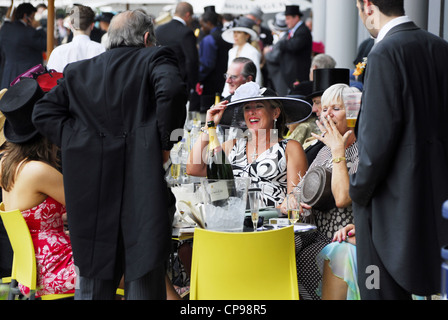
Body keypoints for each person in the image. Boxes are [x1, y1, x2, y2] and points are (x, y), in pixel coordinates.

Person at [32, 10, 188, 300]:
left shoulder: (80, 70)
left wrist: (81, 142)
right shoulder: (154, 57)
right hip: (141, 185)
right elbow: (173, 89)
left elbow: (42, 112)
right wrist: (163, 143)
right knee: (142, 275)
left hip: (93, 186)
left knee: (93, 282)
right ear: (146, 38)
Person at [350, 0, 448, 300]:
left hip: (385, 204)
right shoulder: (440, 47)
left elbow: (376, 142)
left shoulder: (383, 52)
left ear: (368, 6)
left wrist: (358, 189)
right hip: (437, 193)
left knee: (376, 289)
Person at [0, 79, 76, 298]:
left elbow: (32, 216)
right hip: (56, 269)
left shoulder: (7, 164)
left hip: (32, 270)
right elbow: (87, 207)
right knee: (135, 266)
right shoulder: (37, 171)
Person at [187, 81, 311, 211]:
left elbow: (294, 199)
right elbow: (193, 169)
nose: (252, 112)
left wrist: (274, 211)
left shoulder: (290, 148)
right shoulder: (231, 146)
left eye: (258, 106)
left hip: (274, 224)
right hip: (235, 225)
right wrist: (209, 125)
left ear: (275, 113)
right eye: (247, 108)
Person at [295, 83, 359, 300]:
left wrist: (337, 150)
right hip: (313, 232)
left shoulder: (362, 151)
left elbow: (342, 198)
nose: (327, 114)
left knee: (302, 256)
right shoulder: (322, 151)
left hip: (342, 238)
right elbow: (300, 191)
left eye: (336, 109)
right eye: (324, 109)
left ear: (352, 115)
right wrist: (297, 203)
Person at [155, 2, 199, 102]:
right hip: (181, 81)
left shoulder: (159, 30)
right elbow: (192, 60)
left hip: (159, 79)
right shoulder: (186, 32)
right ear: (188, 15)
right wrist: (193, 84)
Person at [46, 5, 105, 72]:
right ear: (92, 26)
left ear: (70, 25)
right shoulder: (102, 50)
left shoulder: (58, 52)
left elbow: (51, 79)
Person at [0, 3, 46, 89]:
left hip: (7, 74)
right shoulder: (29, 32)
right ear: (26, 16)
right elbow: (45, 44)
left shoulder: (5, 28)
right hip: (25, 77)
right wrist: (39, 27)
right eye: (33, 16)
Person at [195, 10, 232, 113]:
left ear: (209, 23)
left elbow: (206, 65)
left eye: (202, 25)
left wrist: (198, 78)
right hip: (226, 81)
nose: (202, 28)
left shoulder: (208, 40)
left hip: (210, 85)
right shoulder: (226, 36)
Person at [276, 5, 312, 94]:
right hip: (292, 74)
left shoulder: (303, 31)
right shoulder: (296, 31)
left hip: (299, 75)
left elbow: (293, 46)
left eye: (288, 18)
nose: (286, 21)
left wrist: (281, 42)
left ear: (296, 17)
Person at [221, 17, 262, 97]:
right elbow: (229, 74)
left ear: (247, 35)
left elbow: (257, 77)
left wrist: (255, 95)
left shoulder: (252, 52)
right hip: (230, 91)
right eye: (234, 32)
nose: (235, 35)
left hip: (246, 93)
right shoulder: (232, 51)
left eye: (239, 32)